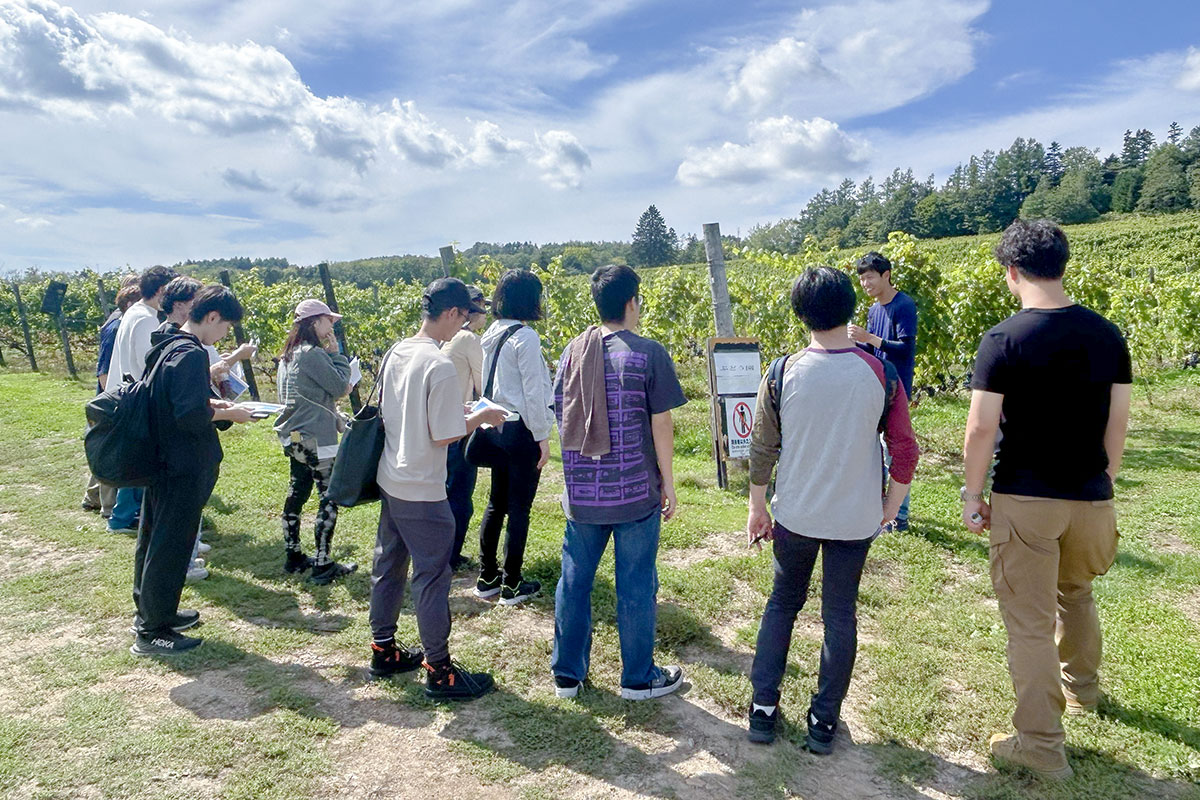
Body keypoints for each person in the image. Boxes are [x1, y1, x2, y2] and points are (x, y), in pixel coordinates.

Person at [962, 219, 1131, 781]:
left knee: (1029, 623)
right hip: (1091, 498)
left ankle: (1038, 744)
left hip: (1027, 499)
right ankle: (1084, 691)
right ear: (1061, 264)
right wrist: (1103, 479)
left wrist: (971, 492)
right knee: (1076, 591)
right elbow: (1119, 419)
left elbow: (982, 429)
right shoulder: (1107, 335)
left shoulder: (1002, 339)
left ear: (1011, 272)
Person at [746, 267, 917, 751]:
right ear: (850, 309)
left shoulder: (782, 371)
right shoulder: (879, 372)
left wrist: (757, 507)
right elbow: (905, 449)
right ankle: (823, 722)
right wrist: (889, 507)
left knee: (782, 604)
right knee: (839, 613)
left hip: (796, 513)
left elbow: (763, 447)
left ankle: (762, 709)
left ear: (800, 313)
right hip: (855, 516)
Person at [550, 264, 688, 701]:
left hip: (584, 491)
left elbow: (560, 410)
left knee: (575, 578)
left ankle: (567, 676)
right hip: (633, 492)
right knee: (635, 581)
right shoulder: (648, 353)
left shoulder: (574, 352)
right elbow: (660, 424)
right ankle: (638, 678)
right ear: (632, 302)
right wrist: (668, 482)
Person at [368, 278, 507, 699]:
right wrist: (484, 417)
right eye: (464, 316)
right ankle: (440, 670)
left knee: (388, 565)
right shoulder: (441, 364)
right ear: (450, 313)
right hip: (423, 486)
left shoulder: (398, 350)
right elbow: (445, 435)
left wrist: (457, 410)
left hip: (391, 475)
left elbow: (400, 408)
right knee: (431, 577)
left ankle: (384, 648)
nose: (465, 325)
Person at [130, 285, 259, 655]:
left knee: (155, 539)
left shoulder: (168, 343)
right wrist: (230, 412)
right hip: (182, 464)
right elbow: (188, 415)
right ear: (213, 317)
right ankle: (154, 631)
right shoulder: (190, 354)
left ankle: (155, 613)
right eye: (225, 327)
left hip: (164, 460)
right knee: (172, 544)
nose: (224, 336)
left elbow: (176, 400)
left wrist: (211, 402)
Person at [473, 269, 554, 605]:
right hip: (520, 428)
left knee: (496, 503)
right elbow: (533, 394)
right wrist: (543, 436)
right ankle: (512, 583)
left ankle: (487, 576)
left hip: (494, 425)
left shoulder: (491, 334)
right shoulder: (526, 337)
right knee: (520, 508)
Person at [274, 299, 357, 584]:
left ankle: (293, 555)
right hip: (316, 438)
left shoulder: (289, 354)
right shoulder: (314, 354)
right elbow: (339, 388)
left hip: (294, 437)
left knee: (297, 489)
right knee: (328, 495)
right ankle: (323, 563)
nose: (331, 325)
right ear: (314, 322)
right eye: (328, 320)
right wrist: (337, 355)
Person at [106, 265, 179, 535]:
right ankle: (123, 518)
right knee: (140, 462)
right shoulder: (147, 319)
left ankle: (125, 516)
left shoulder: (134, 312)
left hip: (125, 395)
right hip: (139, 399)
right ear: (161, 291)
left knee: (135, 460)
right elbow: (149, 364)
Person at [849, 252, 918, 531]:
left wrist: (869, 337)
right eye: (862, 278)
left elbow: (905, 347)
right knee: (873, 448)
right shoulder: (874, 309)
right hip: (874, 386)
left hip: (896, 388)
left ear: (886, 275)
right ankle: (881, 508)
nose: (865, 283)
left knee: (896, 451)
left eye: (869, 277)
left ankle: (899, 517)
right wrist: (854, 343)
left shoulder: (903, 305)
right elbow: (873, 350)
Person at [83, 284, 139, 518]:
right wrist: (115, 401)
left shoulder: (122, 322)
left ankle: (92, 498)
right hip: (110, 400)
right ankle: (108, 508)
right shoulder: (116, 326)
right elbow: (104, 372)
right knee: (109, 451)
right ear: (128, 304)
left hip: (112, 398)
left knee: (103, 451)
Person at [442, 285, 488, 572]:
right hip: (460, 424)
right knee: (460, 494)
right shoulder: (469, 339)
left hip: (439, 423)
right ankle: (451, 554)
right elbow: (484, 386)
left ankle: (441, 549)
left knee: (445, 489)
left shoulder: (445, 338)